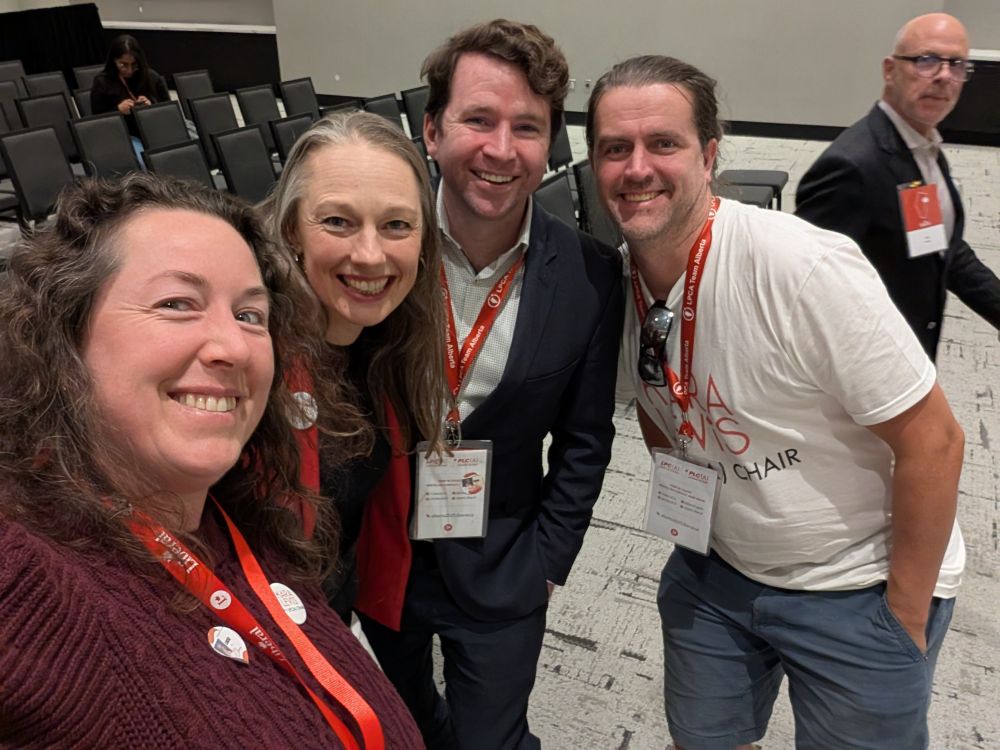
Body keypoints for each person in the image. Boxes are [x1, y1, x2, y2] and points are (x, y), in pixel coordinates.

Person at [587, 54, 965, 749]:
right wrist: (695, 523)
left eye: (662, 144)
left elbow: (934, 440)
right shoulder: (618, 287)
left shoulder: (799, 267)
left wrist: (902, 616)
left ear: (709, 155)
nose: (636, 168)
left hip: (858, 582)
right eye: (615, 148)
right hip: (718, 573)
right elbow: (653, 401)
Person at [0, 173, 423, 749]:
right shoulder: (26, 578)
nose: (232, 347)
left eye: (250, 315)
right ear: (65, 336)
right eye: (177, 304)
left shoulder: (245, 523)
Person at [357, 19, 624, 750]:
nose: (502, 150)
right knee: (402, 726)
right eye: (479, 119)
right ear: (432, 129)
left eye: (527, 127)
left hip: (506, 557)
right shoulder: (374, 252)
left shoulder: (593, 277)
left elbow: (585, 440)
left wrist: (547, 564)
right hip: (383, 552)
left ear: (550, 143)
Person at [261, 111, 446, 625]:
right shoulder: (250, 360)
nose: (369, 254)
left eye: (396, 225)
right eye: (338, 221)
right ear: (292, 229)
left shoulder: (390, 339)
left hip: (332, 599)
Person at [796, 13, 1000, 362]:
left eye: (956, 65)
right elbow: (803, 288)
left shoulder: (922, 147)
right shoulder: (852, 166)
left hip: (910, 351)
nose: (943, 76)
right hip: (865, 370)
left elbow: (940, 245)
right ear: (890, 70)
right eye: (927, 60)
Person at [90, 34, 171, 162]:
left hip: (154, 130)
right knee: (145, 162)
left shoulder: (151, 77)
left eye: (134, 65)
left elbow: (169, 111)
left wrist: (152, 106)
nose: (129, 70)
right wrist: (118, 111)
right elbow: (96, 122)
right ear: (114, 61)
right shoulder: (103, 82)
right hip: (124, 136)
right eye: (123, 65)